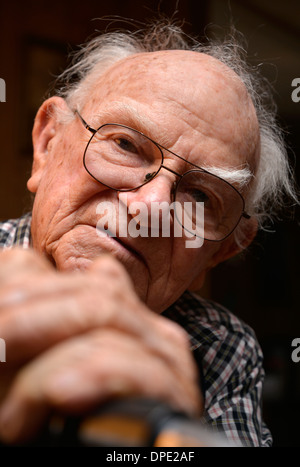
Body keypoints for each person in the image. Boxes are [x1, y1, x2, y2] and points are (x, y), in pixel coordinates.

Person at [0, 20, 297, 447]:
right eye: (124, 144)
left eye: (200, 195)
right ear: (48, 144)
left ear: (220, 252)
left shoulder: (221, 349)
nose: (150, 206)